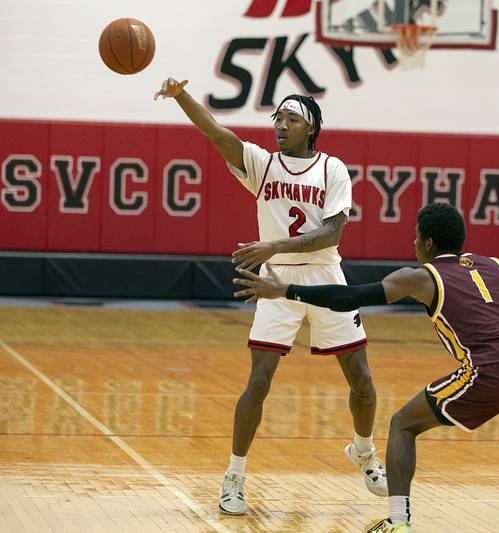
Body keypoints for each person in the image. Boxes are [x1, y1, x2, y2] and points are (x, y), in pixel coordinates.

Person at [233, 203, 499, 533]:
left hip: (490, 370)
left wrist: (285, 289)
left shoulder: (421, 277)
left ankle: (399, 522)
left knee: (402, 425)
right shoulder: (498, 265)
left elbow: (351, 296)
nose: (412, 243)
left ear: (427, 241)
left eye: (414, 236)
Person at [154, 78, 387, 514]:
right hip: (275, 282)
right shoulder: (262, 165)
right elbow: (215, 133)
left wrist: (273, 246)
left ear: (311, 128)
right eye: (277, 117)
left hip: (324, 276)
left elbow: (332, 232)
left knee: (361, 379)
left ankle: (364, 451)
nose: (280, 124)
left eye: (291, 118)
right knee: (258, 381)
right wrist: (180, 96)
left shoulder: (332, 169)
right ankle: (234, 476)